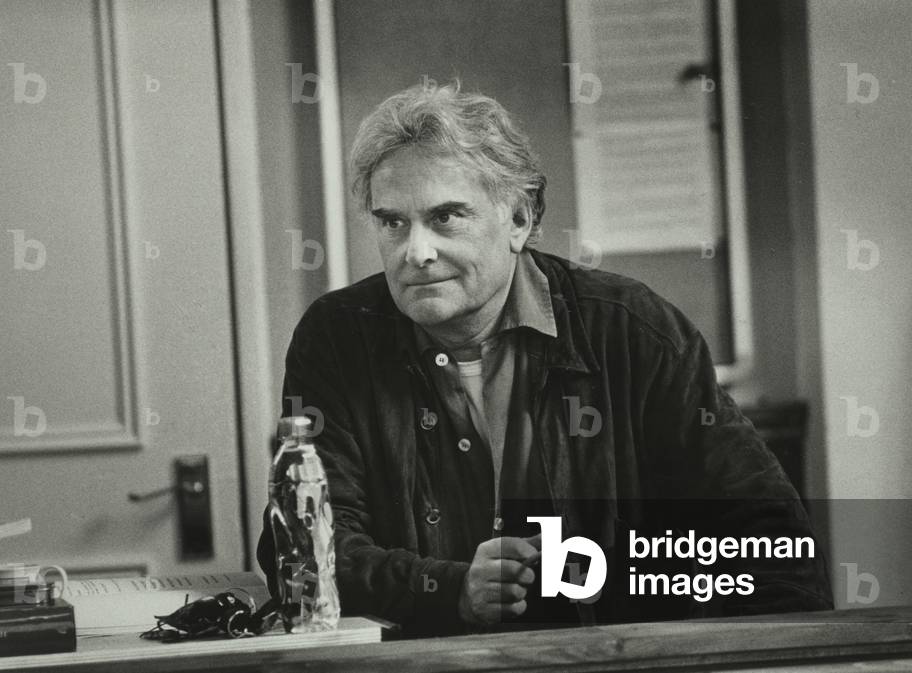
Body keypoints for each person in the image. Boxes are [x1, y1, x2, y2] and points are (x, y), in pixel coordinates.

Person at [257, 81, 832, 638]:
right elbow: (300, 551)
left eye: (446, 217)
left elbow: (771, 544)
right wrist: (448, 588)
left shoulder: (633, 330)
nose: (417, 252)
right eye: (392, 222)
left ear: (520, 219)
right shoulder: (336, 338)